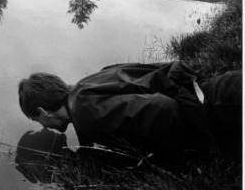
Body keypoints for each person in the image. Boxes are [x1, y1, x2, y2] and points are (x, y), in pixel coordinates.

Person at [18, 61, 242, 160]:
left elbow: (165, 110)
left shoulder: (84, 112)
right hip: (220, 89)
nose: (45, 127)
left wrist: (179, 159)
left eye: (38, 122)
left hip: (224, 109)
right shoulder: (84, 87)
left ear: (43, 111)